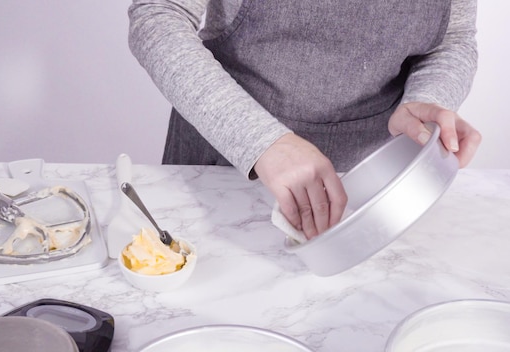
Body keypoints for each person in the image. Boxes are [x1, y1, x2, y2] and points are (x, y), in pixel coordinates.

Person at [128, 0, 482, 239]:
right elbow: (158, 16)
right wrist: (261, 141)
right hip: (223, 161)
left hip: (367, 185)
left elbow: (452, 38)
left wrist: (429, 98)